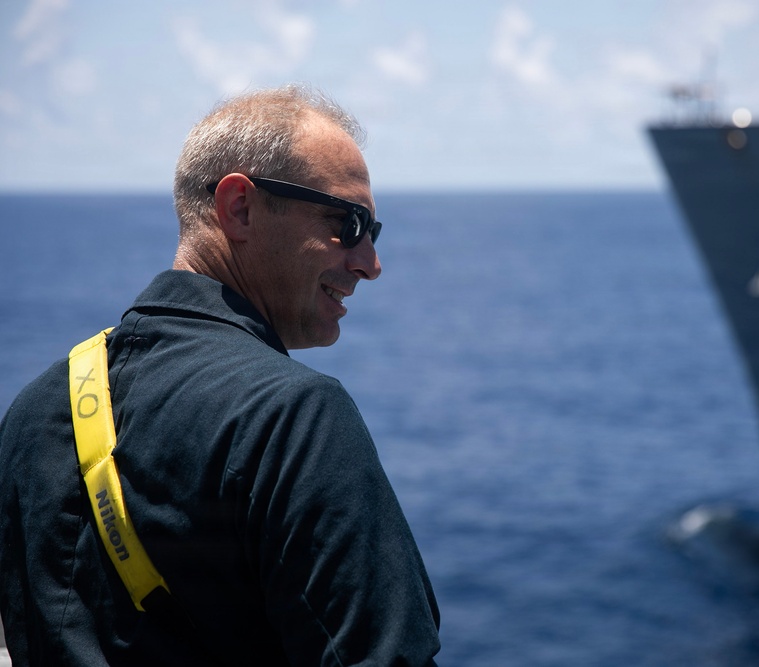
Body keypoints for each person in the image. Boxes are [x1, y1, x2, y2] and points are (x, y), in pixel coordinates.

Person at [0, 85, 440, 665]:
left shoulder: (35, 409)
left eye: (372, 234)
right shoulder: (293, 419)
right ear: (240, 209)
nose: (369, 264)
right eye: (347, 223)